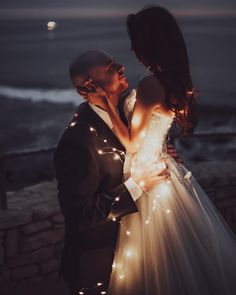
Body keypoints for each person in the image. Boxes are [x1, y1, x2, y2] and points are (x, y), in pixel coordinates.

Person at [87, 6, 236, 295]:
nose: (131, 48)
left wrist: (106, 103)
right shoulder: (173, 80)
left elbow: (131, 142)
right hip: (164, 170)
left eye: (136, 42)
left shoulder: (150, 85)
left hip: (147, 180)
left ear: (150, 43)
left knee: (153, 267)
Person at [54, 50, 175, 295]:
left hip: (138, 248)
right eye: (110, 67)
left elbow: (139, 143)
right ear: (87, 88)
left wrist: (161, 152)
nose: (121, 66)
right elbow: (80, 215)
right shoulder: (78, 141)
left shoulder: (126, 108)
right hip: (98, 263)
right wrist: (137, 184)